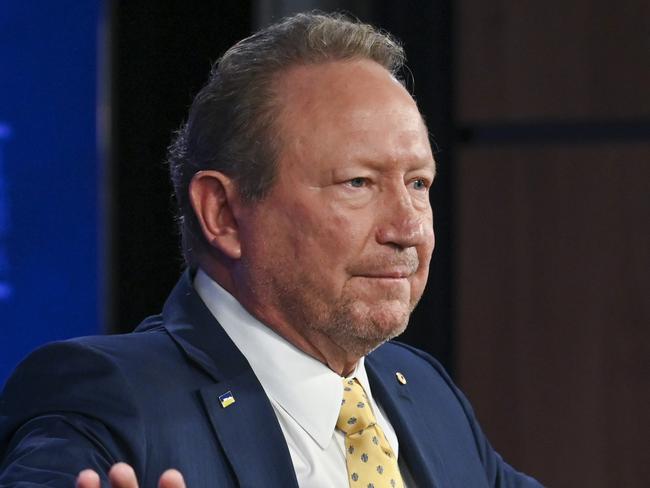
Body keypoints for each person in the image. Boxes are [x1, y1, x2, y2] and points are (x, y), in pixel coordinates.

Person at [0, 12, 543, 488]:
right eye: (358, 182)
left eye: (419, 184)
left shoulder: (424, 393)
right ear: (223, 213)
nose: (406, 228)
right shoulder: (108, 401)